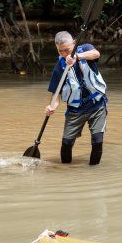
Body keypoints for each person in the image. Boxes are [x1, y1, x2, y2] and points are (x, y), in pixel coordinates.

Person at [45, 31, 108, 166]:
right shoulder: (59, 67)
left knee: (97, 140)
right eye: (60, 52)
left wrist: (77, 56)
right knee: (66, 143)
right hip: (75, 110)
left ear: (74, 43)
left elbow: (96, 54)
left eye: (67, 50)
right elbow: (56, 95)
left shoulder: (85, 49)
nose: (64, 54)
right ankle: (65, 173)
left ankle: (94, 173)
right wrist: (52, 107)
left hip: (97, 105)